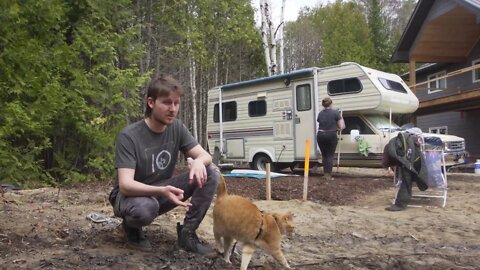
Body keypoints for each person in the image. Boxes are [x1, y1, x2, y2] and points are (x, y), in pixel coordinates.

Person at [108, 74, 220, 254]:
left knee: (211, 172)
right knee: (146, 208)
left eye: (176, 103)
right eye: (167, 103)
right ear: (151, 103)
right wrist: (161, 191)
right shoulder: (129, 136)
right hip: (129, 196)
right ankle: (131, 228)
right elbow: (126, 185)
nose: (173, 109)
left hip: (161, 188)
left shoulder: (177, 127)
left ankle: (187, 233)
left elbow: (205, 156)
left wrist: (199, 162)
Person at [316, 97, 345, 181]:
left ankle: (325, 174)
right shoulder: (335, 113)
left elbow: (320, 122)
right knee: (330, 155)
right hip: (331, 134)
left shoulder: (320, 113)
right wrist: (340, 120)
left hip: (320, 135)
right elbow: (341, 126)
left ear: (322, 105)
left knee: (324, 155)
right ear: (331, 104)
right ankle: (328, 175)